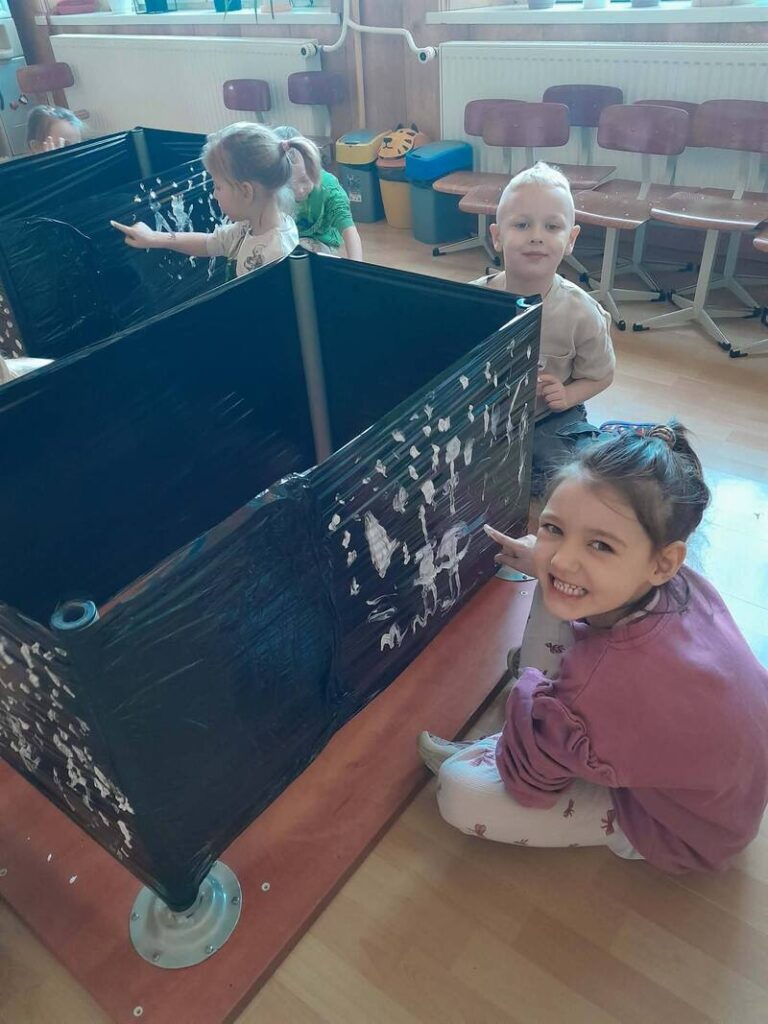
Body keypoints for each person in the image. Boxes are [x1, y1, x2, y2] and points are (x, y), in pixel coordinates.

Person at [419, 423, 768, 873]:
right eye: (554, 528)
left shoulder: (602, 684)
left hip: (686, 830)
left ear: (663, 562)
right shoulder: (681, 582)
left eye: (600, 545)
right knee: (556, 584)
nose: (563, 558)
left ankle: (520, 732)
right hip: (726, 790)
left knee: (459, 789)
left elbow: (532, 784)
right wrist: (544, 559)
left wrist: (531, 691)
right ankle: (540, 726)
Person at [473, 162, 614, 500]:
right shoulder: (473, 299)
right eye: (522, 224)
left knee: (577, 476)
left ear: (571, 239)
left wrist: (568, 395)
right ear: (497, 236)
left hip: (550, 417)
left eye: (552, 226)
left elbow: (601, 375)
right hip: (486, 415)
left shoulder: (582, 313)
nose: (537, 235)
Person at [111, 123, 321, 278]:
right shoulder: (251, 226)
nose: (214, 194)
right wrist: (153, 237)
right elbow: (209, 243)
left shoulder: (276, 253)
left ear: (246, 191)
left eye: (218, 186)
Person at [274, 125, 363, 261]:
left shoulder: (328, 188)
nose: (299, 190)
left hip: (320, 240)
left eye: (304, 180)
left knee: (304, 249)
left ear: (314, 167)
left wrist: (356, 268)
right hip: (285, 238)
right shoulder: (271, 190)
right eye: (289, 186)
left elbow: (349, 231)